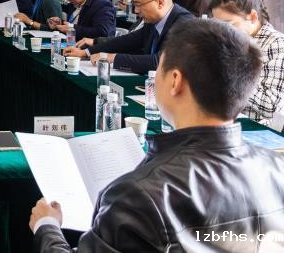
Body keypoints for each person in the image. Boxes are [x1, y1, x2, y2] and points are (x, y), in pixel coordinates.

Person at [29, 19, 284, 252]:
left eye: (159, 66)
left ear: (175, 81)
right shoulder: (278, 168)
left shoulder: (138, 195)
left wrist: (47, 227)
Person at [66, 0, 194, 74]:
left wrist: (112, 58)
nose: (136, 11)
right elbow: (127, 41)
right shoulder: (153, 21)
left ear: (160, 3)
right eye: (134, 5)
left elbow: (160, 62)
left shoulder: (185, 23)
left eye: (139, 5)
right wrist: (86, 52)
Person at [209, 0, 284, 126]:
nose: (222, 33)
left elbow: (271, 106)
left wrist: (230, 77)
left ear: (253, 17)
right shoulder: (233, 41)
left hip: (256, 130)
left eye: (228, 25)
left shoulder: (276, 45)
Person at [48, 0, 115, 41]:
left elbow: (104, 33)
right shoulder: (76, 1)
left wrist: (72, 28)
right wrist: (61, 23)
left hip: (89, 47)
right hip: (71, 43)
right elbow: (78, 24)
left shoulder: (102, 4)